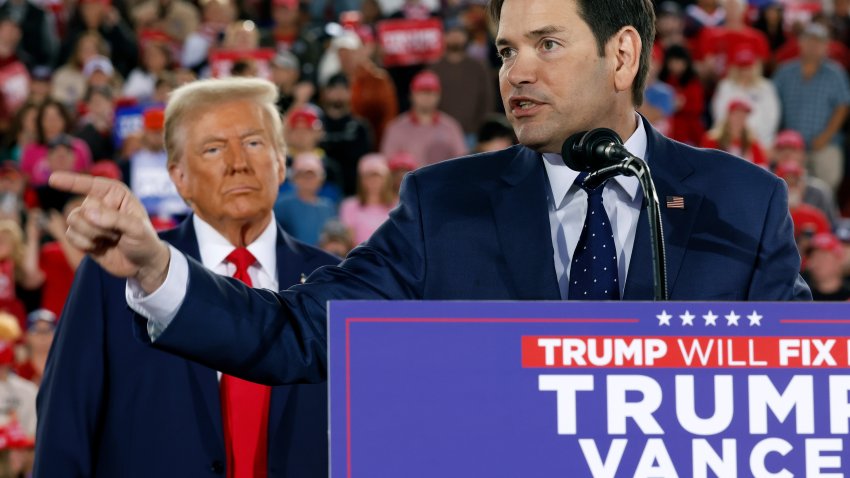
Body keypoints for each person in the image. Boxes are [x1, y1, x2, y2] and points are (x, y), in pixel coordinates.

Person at [53, 0, 810, 389]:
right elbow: (298, 335)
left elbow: (803, 387)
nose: (516, 73)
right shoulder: (442, 205)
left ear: (622, 54)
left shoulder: (739, 202)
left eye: (548, 45)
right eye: (508, 50)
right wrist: (157, 268)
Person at [35, 78, 340, 477]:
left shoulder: (336, 282)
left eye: (253, 142)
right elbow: (66, 422)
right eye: (213, 148)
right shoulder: (114, 270)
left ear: (282, 162)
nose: (237, 162)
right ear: (178, 177)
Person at [772, 22, 850, 193]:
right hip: (790, 145)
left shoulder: (835, 73)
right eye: (810, 41)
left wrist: (826, 136)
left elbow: (843, 106)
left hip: (824, 143)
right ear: (800, 42)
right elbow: (772, 104)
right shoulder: (785, 71)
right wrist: (781, 137)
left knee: (827, 186)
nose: (814, 46)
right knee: (785, 189)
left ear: (827, 46)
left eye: (820, 42)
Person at [380, 70, 467, 167]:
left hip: (442, 180)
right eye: (421, 92)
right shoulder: (396, 127)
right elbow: (387, 162)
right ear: (412, 95)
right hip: (408, 180)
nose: (426, 97)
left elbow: (461, 161)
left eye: (430, 92)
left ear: (438, 95)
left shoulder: (450, 127)